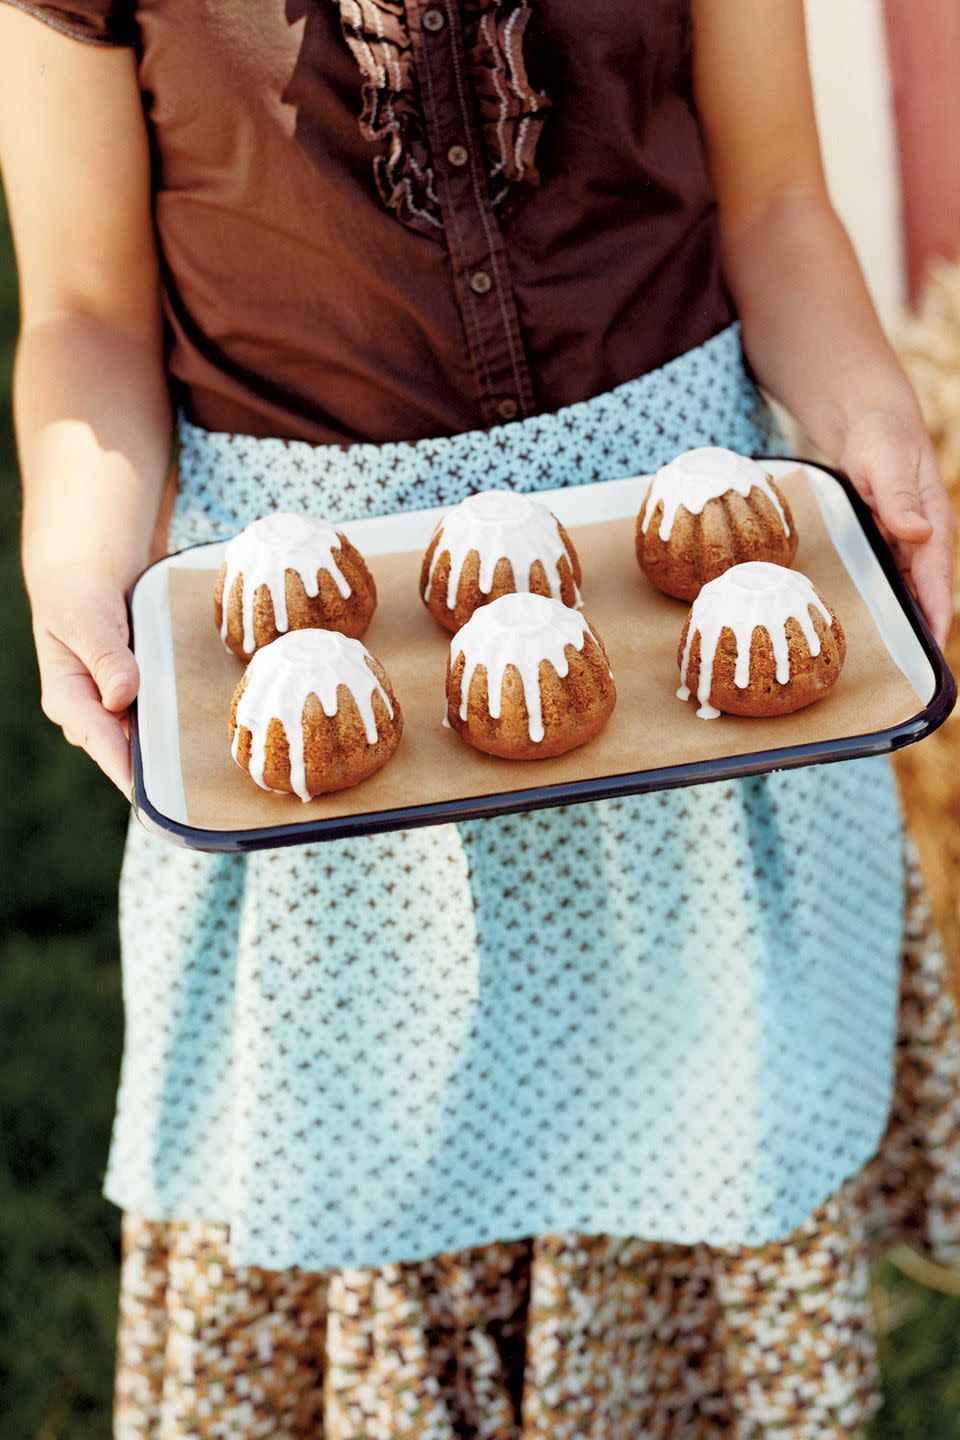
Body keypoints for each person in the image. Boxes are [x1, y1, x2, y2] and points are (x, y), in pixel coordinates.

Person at [2, 1, 959, 1435]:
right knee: (376, 1182)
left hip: (679, 637)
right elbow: (84, 312)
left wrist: (875, 424)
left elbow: (774, 203)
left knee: (696, 1153)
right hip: (317, 677)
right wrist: (74, 554)